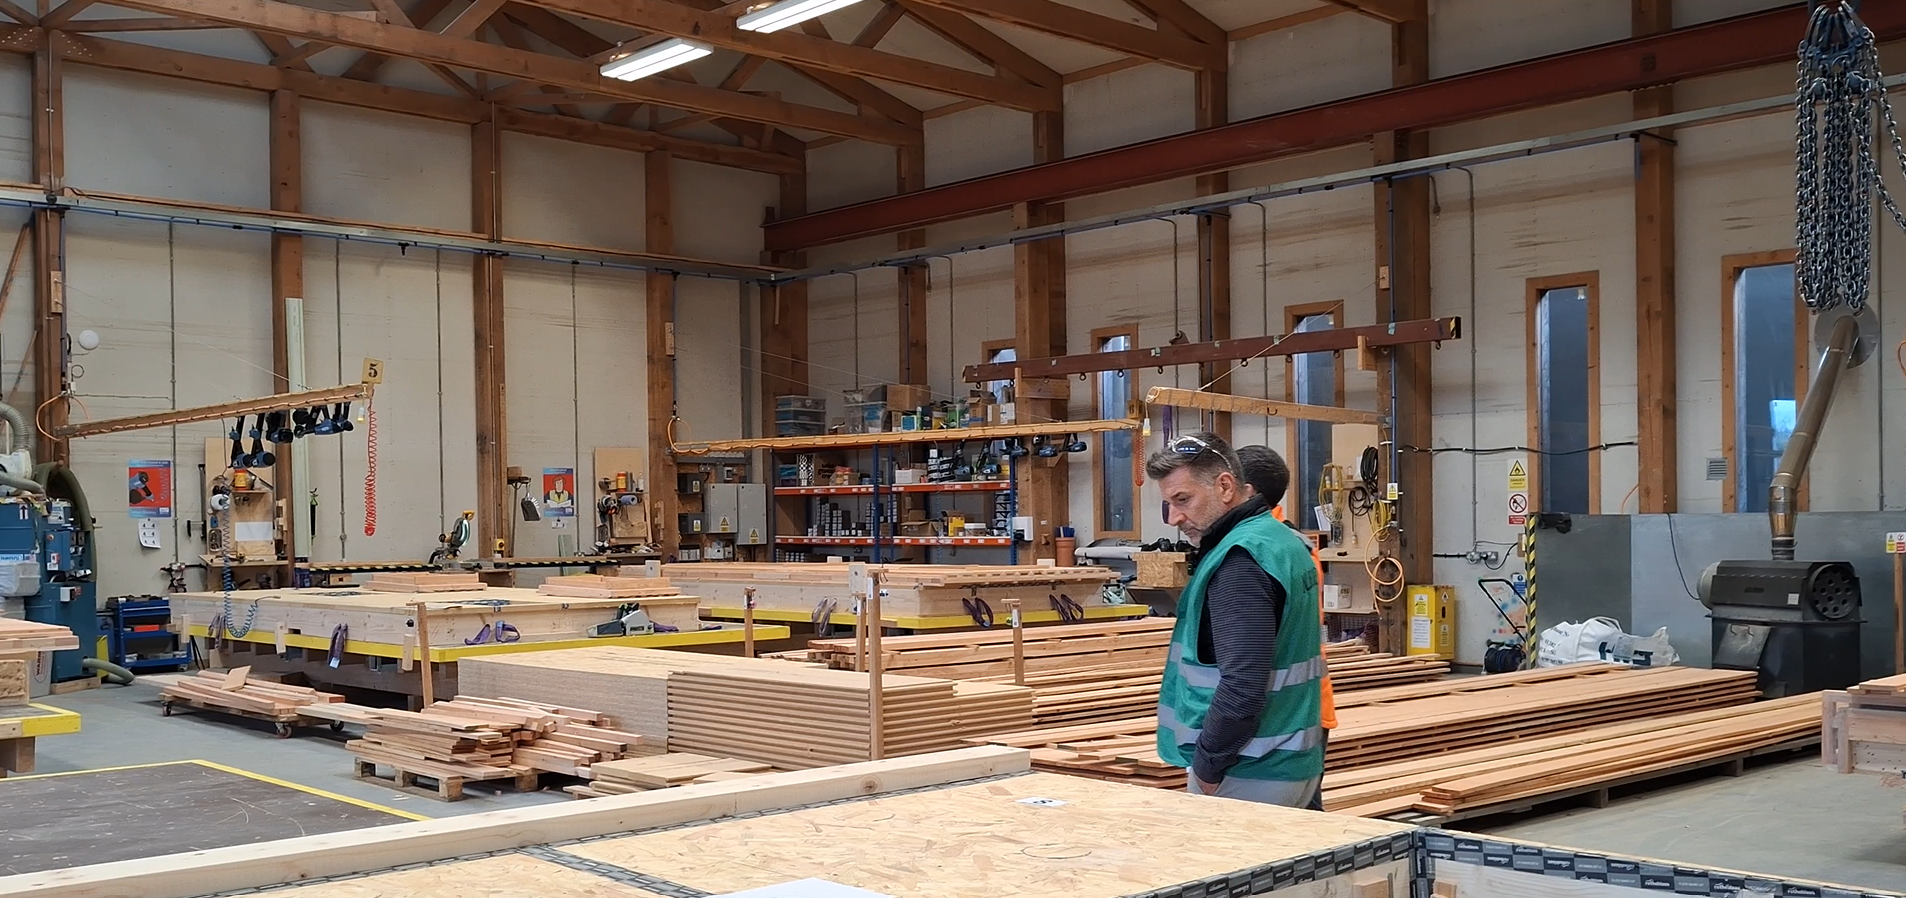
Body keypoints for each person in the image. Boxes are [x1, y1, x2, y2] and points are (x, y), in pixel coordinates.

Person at [1147, 431, 1325, 807]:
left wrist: (1208, 767)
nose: (1174, 517)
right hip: (1287, 760)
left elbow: (1243, 685)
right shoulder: (1282, 540)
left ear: (1225, 486)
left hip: (1246, 771)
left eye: (1183, 500)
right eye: (1169, 503)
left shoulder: (1240, 561)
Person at [1236, 444, 1337, 812]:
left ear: (1246, 491)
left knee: (1291, 825)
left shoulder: (1268, 551)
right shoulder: (1284, 543)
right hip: (1292, 706)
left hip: (1285, 711)